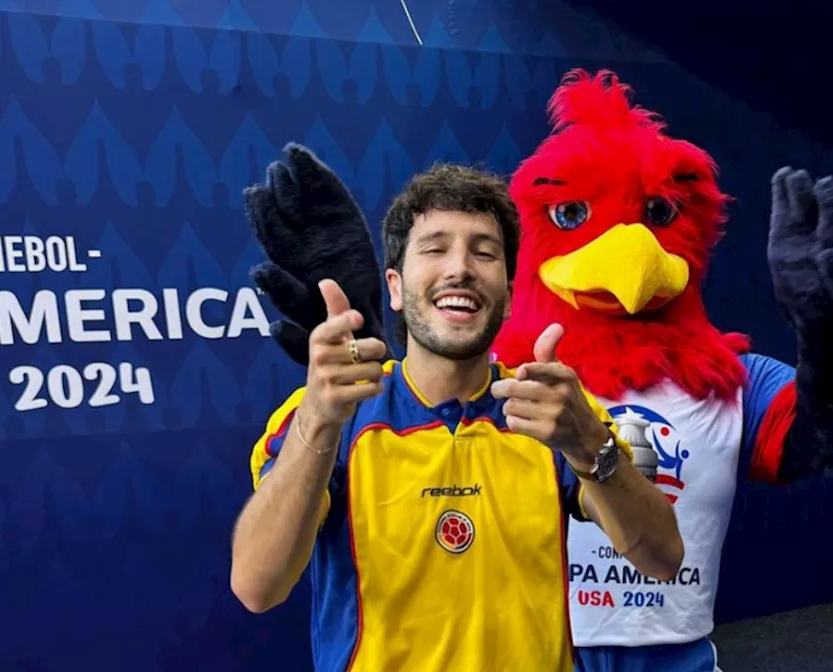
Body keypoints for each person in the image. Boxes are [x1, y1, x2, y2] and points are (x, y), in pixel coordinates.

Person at [228, 164, 684, 672]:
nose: (460, 268)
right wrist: (317, 420)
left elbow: (662, 559)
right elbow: (256, 587)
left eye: (484, 251)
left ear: (509, 296)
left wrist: (589, 446)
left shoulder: (554, 411)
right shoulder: (332, 413)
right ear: (396, 289)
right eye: (435, 247)